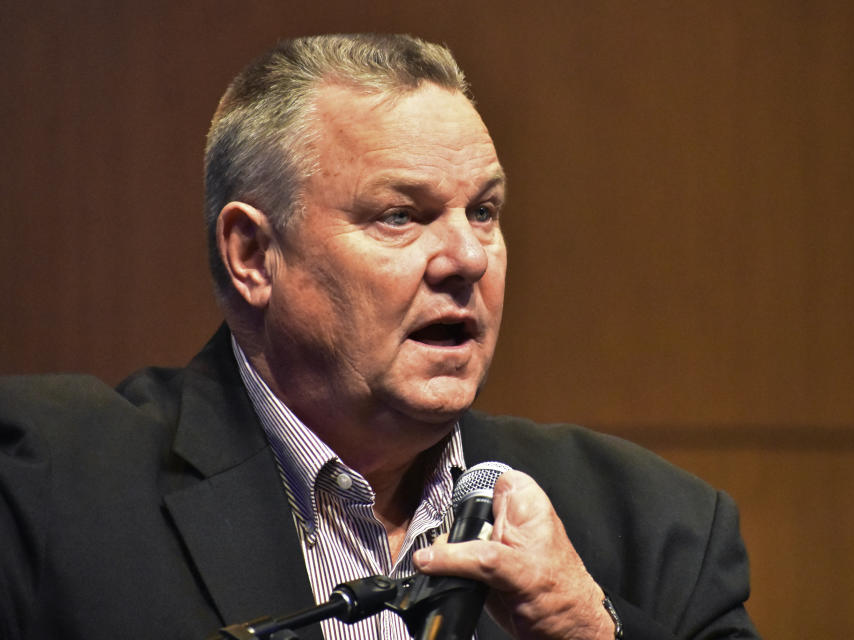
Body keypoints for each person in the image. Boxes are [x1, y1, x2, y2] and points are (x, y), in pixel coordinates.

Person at [0, 34, 759, 640]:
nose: (466, 257)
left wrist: (590, 632)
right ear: (253, 256)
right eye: (400, 215)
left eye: (485, 212)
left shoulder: (659, 531)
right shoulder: (50, 489)